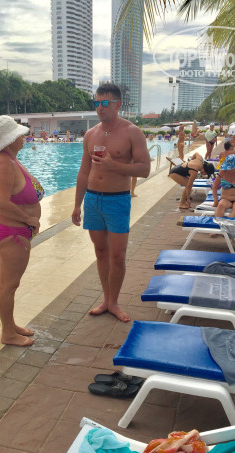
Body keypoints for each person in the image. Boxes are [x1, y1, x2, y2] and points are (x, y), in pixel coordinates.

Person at [71, 82, 151, 323]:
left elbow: (145, 169)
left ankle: (114, 302)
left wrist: (113, 165)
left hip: (117, 200)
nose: (100, 107)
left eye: (105, 103)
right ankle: (106, 300)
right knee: (100, 252)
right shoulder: (90, 134)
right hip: (93, 199)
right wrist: (77, 204)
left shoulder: (132, 132)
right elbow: (83, 172)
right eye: (96, 103)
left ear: (118, 105)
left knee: (117, 256)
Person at [0, 116, 43, 347]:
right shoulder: (4, 164)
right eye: (19, 135)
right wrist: (28, 219)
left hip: (8, 229)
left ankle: (10, 326)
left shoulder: (7, 159)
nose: (23, 137)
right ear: (9, 140)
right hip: (10, 232)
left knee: (9, 285)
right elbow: (0, 202)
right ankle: (8, 334)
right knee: (8, 287)